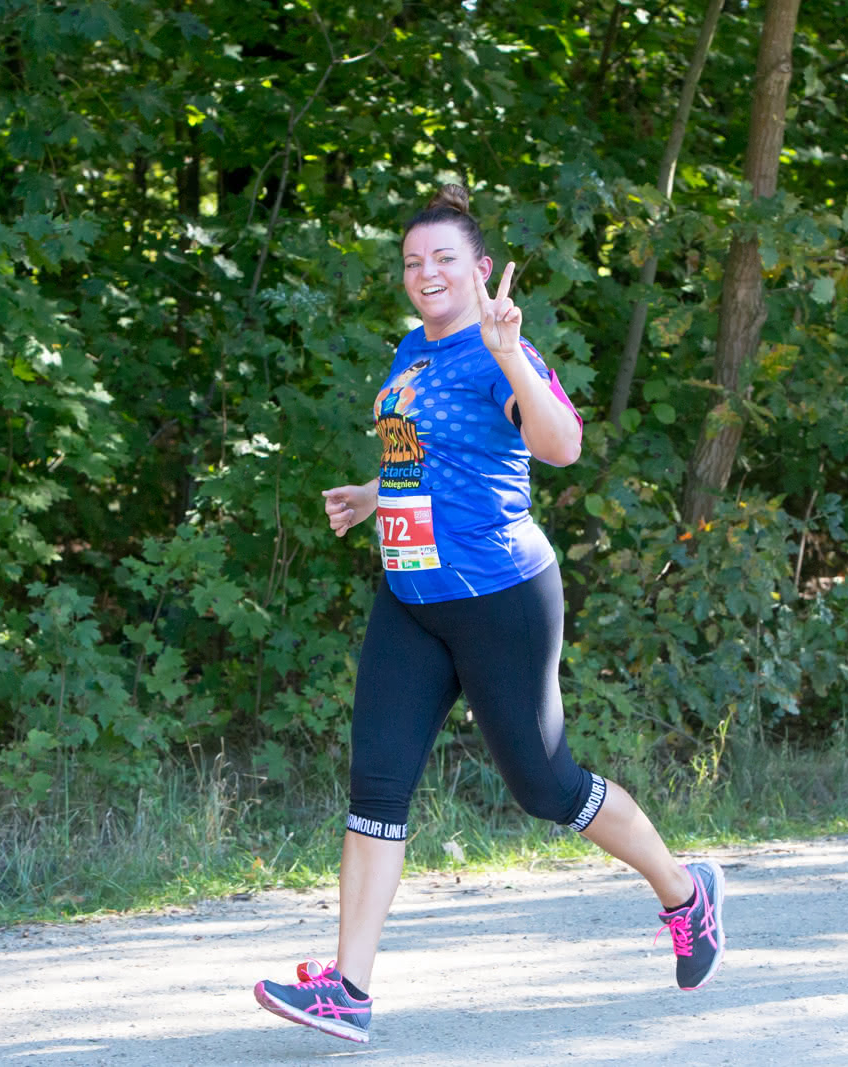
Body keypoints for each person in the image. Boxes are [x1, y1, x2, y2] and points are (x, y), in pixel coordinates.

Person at [253, 185, 727, 1044]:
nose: (424, 273)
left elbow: (562, 445)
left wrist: (512, 356)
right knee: (376, 788)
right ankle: (348, 988)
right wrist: (374, 493)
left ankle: (685, 890)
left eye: (442, 259)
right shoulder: (413, 349)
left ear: (479, 270)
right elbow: (425, 457)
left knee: (548, 789)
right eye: (411, 261)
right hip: (410, 597)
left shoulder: (500, 351)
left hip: (498, 598)